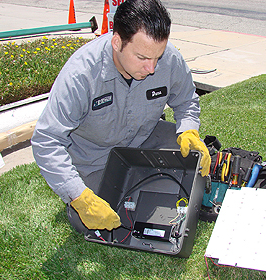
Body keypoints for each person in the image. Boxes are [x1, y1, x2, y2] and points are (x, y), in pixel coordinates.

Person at [32, 0, 210, 233]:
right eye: (142, 58)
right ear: (117, 42)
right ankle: (86, 197)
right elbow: (46, 140)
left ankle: (153, 177)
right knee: (97, 222)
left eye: (158, 57)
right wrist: (79, 196)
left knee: (196, 157)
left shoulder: (169, 59)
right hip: (95, 159)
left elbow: (186, 99)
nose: (152, 68)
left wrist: (189, 130)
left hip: (144, 136)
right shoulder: (81, 74)